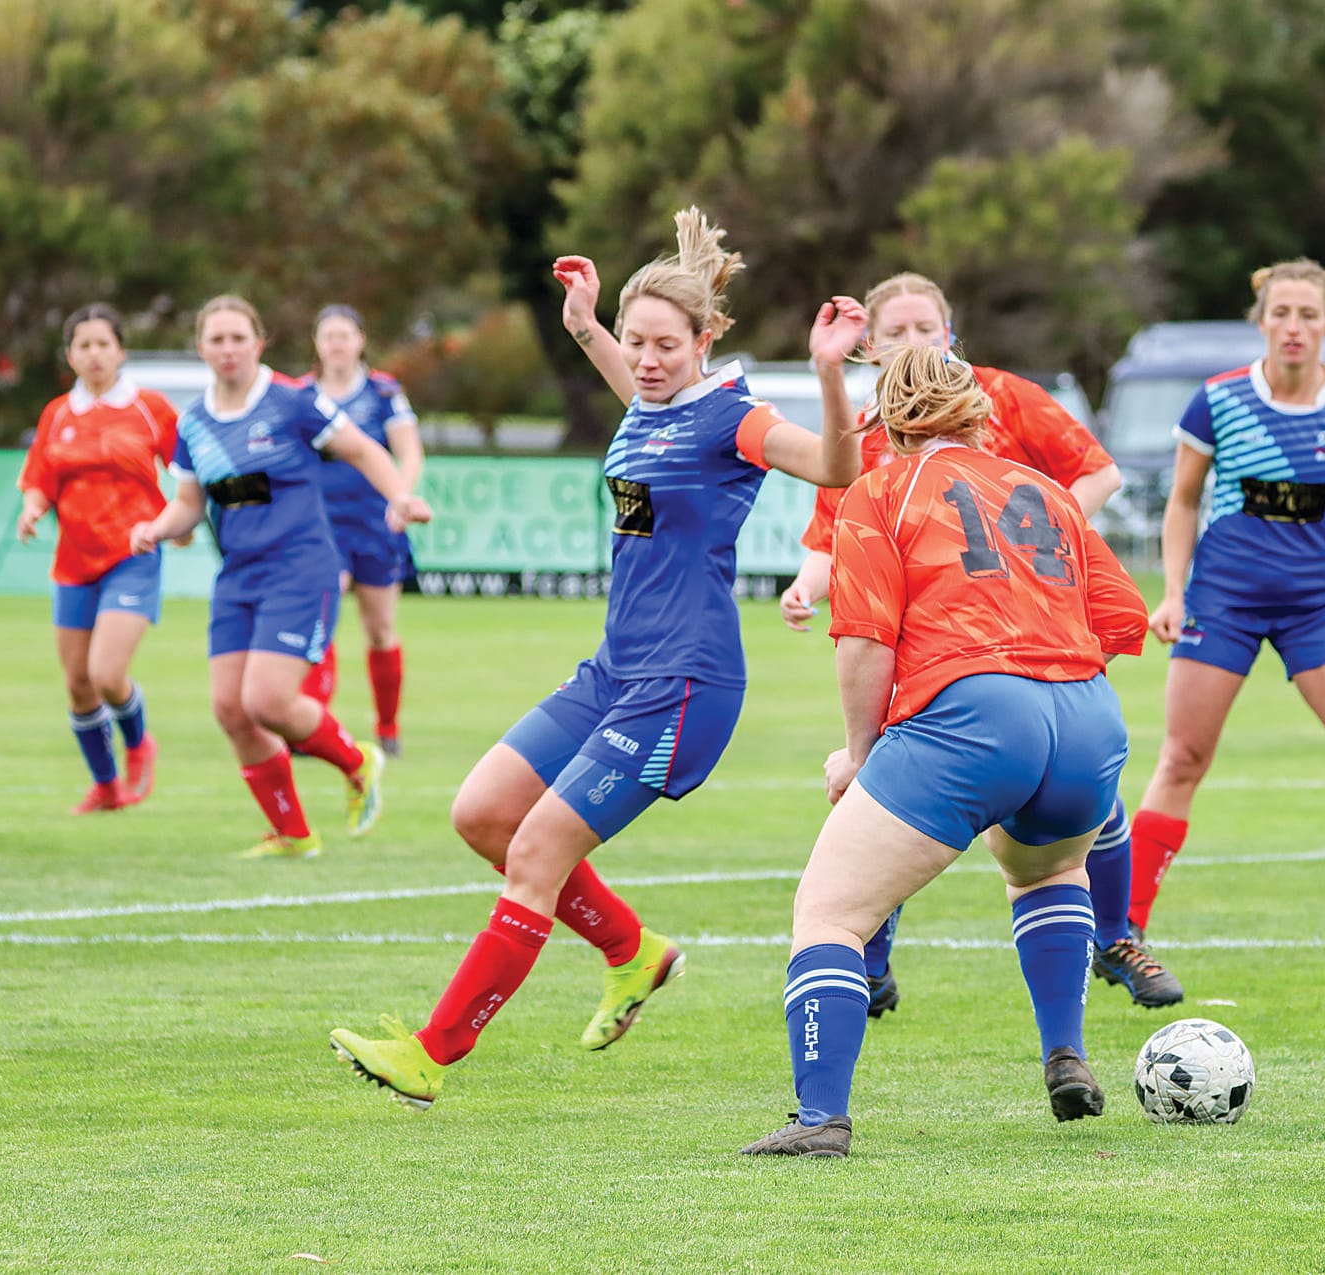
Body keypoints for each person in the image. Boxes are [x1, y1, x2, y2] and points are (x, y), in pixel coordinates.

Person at [327, 209, 863, 1107]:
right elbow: (633, 388)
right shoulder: (649, 406)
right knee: (484, 814)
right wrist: (581, 324)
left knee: (535, 847)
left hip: (683, 683)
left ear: (704, 342)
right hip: (614, 669)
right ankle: (632, 951)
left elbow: (838, 470)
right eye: (634, 342)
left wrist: (827, 373)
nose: (646, 360)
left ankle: (431, 1052)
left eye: (665, 345)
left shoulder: (735, 418)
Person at [741, 345, 1149, 1158]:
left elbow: (862, 640)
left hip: (974, 713)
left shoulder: (880, 490)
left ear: (885, 419)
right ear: (979, 412)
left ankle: (820, 1116)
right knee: (1047, 870)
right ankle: (1064, 1053)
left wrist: (861, 752)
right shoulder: (1045, 492)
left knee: (831, 912)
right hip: (1087, 717)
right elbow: (1123, 615)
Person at [778, 272, 1182, 1013]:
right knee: (993, 804)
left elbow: (1097, 471)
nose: (909, 343)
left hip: (991, 661)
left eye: (922, 329)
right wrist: (806, 582)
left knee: (873, 789)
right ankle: (874, 962)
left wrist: (1046, 557)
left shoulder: (1001, 395)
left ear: (950, 332)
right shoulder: (864, 434)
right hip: (949, 658)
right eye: (893, 331)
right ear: (870, 344)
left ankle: (1116, 933)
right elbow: (832, 534)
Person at [1127, 259, 1325, 953]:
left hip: (1317, 605)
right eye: (1280, 313)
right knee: (1181, 757)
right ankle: (1125, 925)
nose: (1293, 327)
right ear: (1260, 320)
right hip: (1222, 600)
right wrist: (1172, 592)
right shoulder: (1217, 399)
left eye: (1307, 315)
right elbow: (1180, 503)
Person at [128, 295, 431, 858]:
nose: (227, 349)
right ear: (201, 349)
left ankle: (358, 761)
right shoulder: (192, 423)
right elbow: (190, 503)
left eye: (238, 337)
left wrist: (400, 498)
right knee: (230, 710)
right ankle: (292, 833)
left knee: (267, 700)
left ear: (258, 342)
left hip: (302, 566)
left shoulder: (293, 403)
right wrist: (157, 526)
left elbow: (365, 450)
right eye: (216, 339)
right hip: (238, 576)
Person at [16, 303, 178, 814]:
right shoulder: (57, 414)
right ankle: (106, 785)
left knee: (107, 674)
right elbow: (40, 481)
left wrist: (182, 518)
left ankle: (138, 743)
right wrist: (32, 511)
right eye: (83, 346)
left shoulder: (149, 407)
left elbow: (188, 469)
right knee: (78, 683)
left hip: (133, 553)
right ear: (70, 355)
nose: (94, 354)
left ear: (121, 351)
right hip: (73, 561)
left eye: (103, 344)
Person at [297, 304, 424, 756]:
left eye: (344, 335)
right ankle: (311, 725)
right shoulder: (302, 395)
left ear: (360, 341)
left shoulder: (383, 392)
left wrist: (400, 499)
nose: (336, 344)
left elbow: (409, 452)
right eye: (328, 335)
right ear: (317, 343)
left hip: (373, 524)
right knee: (321, 621)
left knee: (379, 630)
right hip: (319, 527)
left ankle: (387, 729)